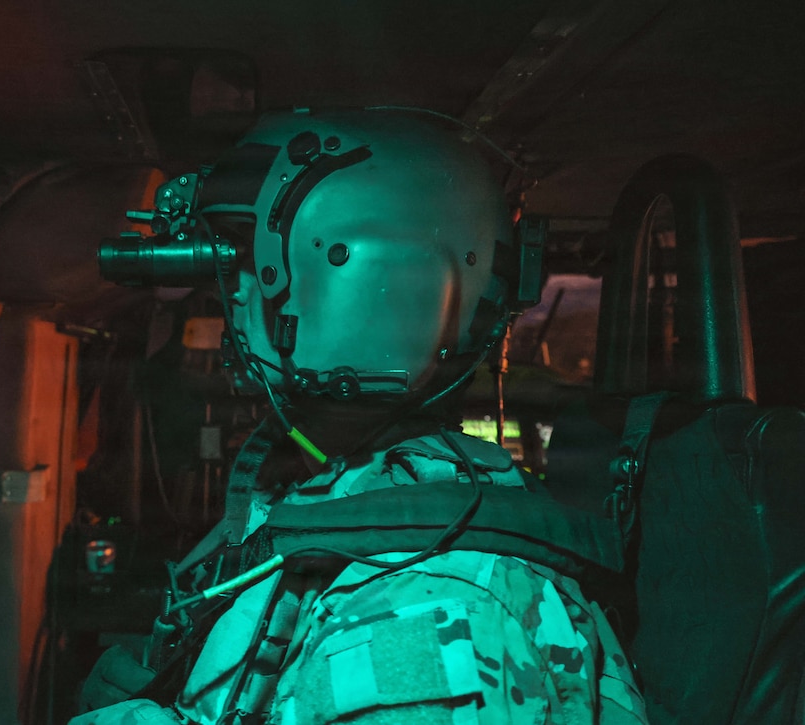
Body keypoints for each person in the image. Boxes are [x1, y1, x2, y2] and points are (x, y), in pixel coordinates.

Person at [78, 108, 648, 724]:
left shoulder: (429, 614)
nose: (232, 292)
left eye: (249, 259)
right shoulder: (340, 499)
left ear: (371, 271)